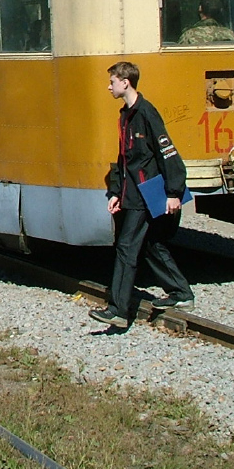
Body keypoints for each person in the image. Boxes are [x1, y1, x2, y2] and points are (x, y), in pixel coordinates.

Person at [90, 61, 194, 329]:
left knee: (126, 248)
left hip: (147, 193)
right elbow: (125, 159)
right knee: (150, 244)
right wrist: (115, 192)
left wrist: (174, 192)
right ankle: (181, 293)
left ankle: (118, 310)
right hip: (133, 192)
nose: (108, 86)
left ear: (125, 82)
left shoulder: (146, 113)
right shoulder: (126, 115)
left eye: (112, 81)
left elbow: (168, 152)